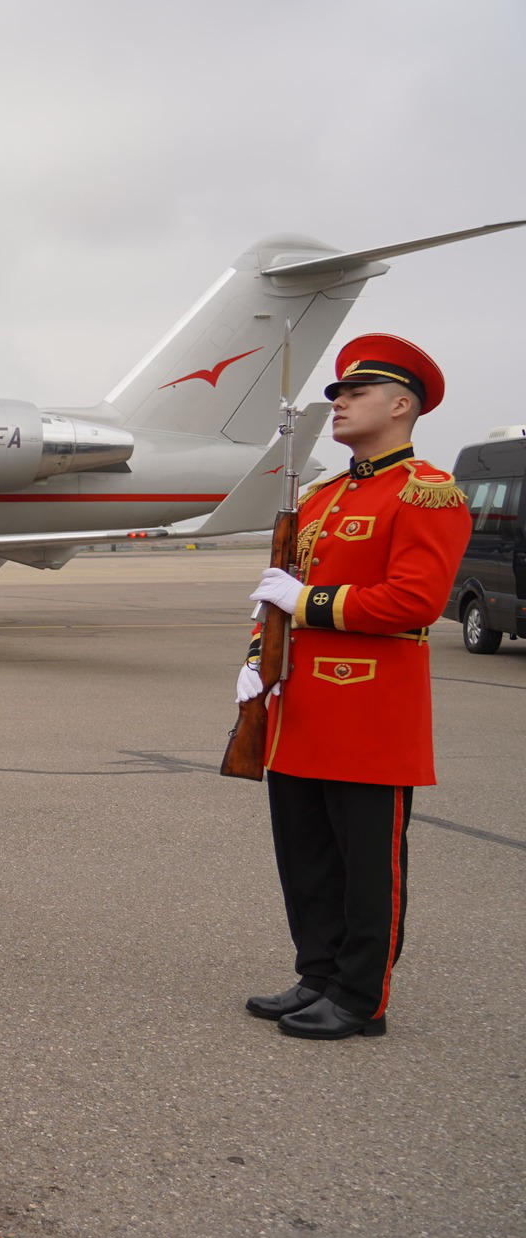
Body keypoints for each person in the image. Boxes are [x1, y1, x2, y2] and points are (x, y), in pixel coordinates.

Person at [237, 335, 470, 1040]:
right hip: (299, 709)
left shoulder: (425, 492)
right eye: (337, 392)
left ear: (401, 406)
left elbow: (415, 601)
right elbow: (277, 596)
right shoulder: (322, 496)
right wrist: (258, 656)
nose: (337, 402)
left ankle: (360, 996)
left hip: (370, 715)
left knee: (368, 866)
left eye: (355, 393)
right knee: (306, 855)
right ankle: (317, 974)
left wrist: (307, 602)